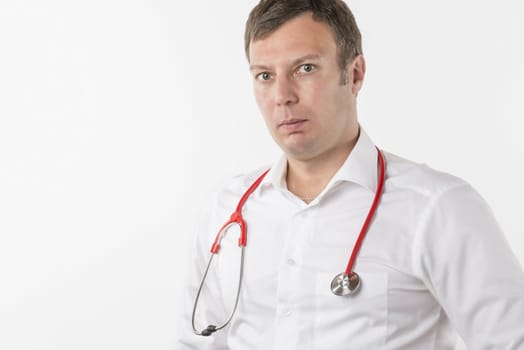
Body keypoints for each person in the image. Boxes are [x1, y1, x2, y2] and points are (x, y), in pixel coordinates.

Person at [177, 0, 524, 349]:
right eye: (265, 76)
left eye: (305, 68)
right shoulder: (227, 210)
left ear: (354, 73)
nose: (282, 96)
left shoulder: (437, 208)